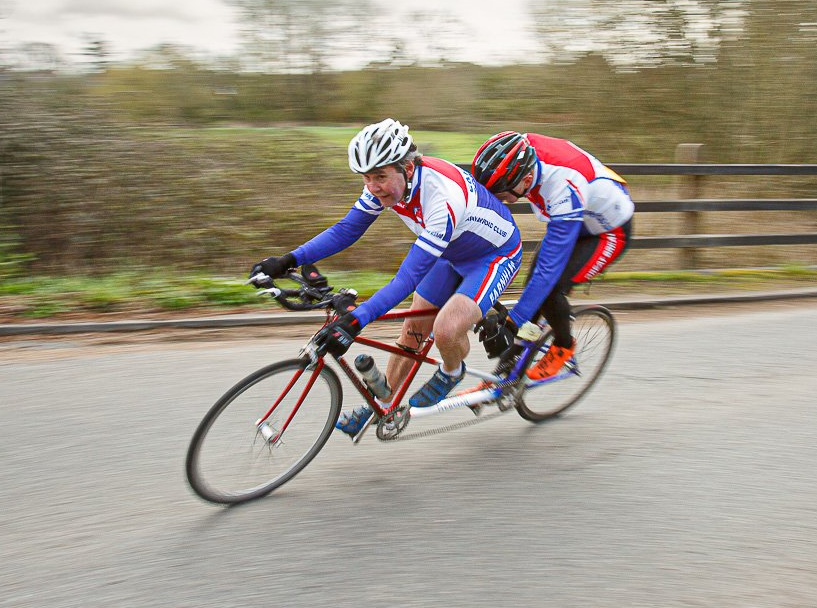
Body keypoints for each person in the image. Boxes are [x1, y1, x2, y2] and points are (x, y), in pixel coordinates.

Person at [252, 119, 522, 436]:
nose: (373, 186)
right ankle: (383, 405)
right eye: (366, 178)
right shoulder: (387, 184)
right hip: (450, 253)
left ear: (407, 167)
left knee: (446, 328)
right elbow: (346, 230)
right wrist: (288, 260)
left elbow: (405, 280)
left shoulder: (441, 198)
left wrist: (356, 320)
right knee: (412, 332)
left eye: (379, 177)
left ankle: (452, 371)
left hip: (492, 257)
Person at [468, 130, 634, 381]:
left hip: (608, 232)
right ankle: (511, 366)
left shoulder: (564, 186)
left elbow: (549, 272)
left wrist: (512, 324)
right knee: (533, 285)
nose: (499, 200)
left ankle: (564, 345)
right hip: (578, 217)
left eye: (502, 194)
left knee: (550, 287)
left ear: (526, 178)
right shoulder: (518, 152)